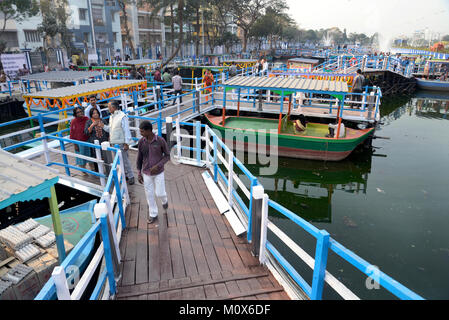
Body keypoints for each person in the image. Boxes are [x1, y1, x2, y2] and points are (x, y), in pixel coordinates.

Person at [136, 121, 170, 224]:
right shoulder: (141, 142)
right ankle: (153, 214)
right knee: (149, 194)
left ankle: (164, 201)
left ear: (148, 131)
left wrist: (158, 165)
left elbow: (167, 156)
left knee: (160, 193)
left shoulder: (160, 141)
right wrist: (138, 172)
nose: (140, 133)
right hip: (146, 172)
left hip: (159, 172)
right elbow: (139, 158)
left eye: (142, 131)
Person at [104, 101, 135, 185]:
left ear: (114, 107)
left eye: (109, 107)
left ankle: (131, 176)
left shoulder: (122, 116)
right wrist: (103, 126)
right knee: (118, 160)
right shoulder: (112, 117)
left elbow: (126, 130)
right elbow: (111, 129)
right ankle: (125, 175)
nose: (108, 109)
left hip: (121, 142)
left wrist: (126, 143)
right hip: (115, 142)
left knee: (125, 160)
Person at [84, 108, 109, 172]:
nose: (95, 114)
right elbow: (86, 132)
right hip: (94, 142)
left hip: (104, 141)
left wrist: (108, 138)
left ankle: (107, 170)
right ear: (91, 114)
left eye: (96, 113)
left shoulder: (103, 120)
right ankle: (98, 171)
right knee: (96, 156)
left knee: (106, 156)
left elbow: (107, 130)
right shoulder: (89, 122)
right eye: (93, 113)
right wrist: (92, 125)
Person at [70, 106, 90, 176]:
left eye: (81, 111)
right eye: (78, 112)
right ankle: (83, 170)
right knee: (81, 157)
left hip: (88, 140)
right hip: (79, 142)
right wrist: (75, 144)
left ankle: (93, 169)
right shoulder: (73, 121)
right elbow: (72, 133)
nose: (80, 113)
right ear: (75, 114)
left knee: (90, 156)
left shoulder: (86, 119)